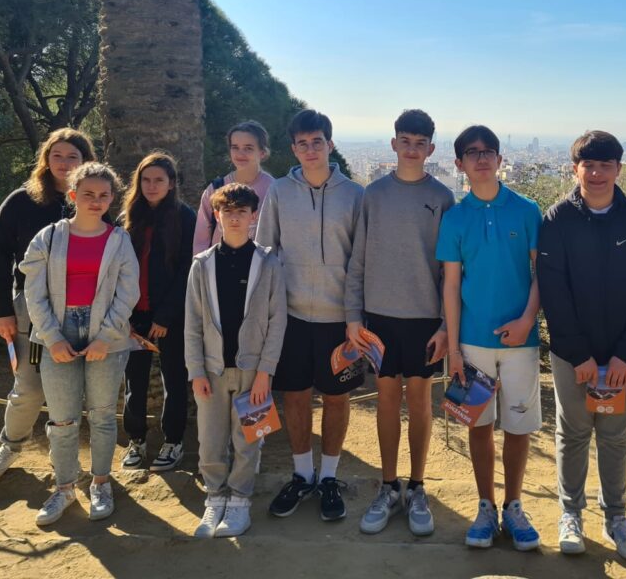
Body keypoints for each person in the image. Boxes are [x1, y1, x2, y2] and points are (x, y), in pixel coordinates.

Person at [537, 130, 626, 562]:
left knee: (615, 437)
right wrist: (577, 353)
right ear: (575, 169)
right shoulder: (557, 219)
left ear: (619, 169)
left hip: (623, 354)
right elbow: (553, 289)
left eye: (606, 164)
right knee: (572, 434)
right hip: (572, 354)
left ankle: (616, 516)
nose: (597, 173)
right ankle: (570, 513)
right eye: (588, 164)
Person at [346, 109, 455, 537]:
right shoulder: (372, 194)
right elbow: (357, 259)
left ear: (431, 148)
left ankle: (418, 487)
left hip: (425, 319)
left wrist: (445, 325)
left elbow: (450, 271)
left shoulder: (443, 197)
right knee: (387, 401)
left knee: (421, 403)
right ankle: (389, 486)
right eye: (405, 141)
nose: (412, 149)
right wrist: (353, 316)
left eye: (420, 143)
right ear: (394, 144)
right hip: (379, 318)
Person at [436, 125, 543, 551]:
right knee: (478, 425)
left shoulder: (527, 210)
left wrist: (527, 321)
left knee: (518, 427)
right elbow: (450, 285)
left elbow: (540, 274)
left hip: (521, 342)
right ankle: (486, 506)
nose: (481, 158)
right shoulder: (454, 217)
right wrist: (454, 348)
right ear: (459, 163)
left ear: (500, 159)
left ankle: (514, 506)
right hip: (472, 342)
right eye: (472, 152)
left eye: (488, 151)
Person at [20, 162, 139, 526]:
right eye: (88, 194)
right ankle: (64, 487)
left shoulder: (119, 240)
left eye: (103, 195)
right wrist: (52, 338)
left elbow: (128, 292)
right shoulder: (48, 237)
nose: (96, 201)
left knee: (102, 415)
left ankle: (101, 483)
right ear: (73, 195)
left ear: (112, 198)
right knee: (62, 420)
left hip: (107, 336)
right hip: (56, 332)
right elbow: (33, 292)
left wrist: (105, 337)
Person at [260, 109, 364, 522]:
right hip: (292, 316)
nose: (310, 149)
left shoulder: (354, 195)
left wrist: (357, 316)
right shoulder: (279, 192)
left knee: (337, 398)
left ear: (330, 144)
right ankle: (302, 474)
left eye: (317, 141)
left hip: (341, 318)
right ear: (293, 149)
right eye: (302, 143)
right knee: (296, 395)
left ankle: (329, 477)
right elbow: (266, 252)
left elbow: (361, 260)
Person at [0, 128, 96, 481]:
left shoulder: (94, 201)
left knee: (69, 393)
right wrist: (3, 311)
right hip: (29, 307)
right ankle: (11, 444)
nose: (64, 163)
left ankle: (63, 459)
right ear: (46, 158)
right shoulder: (20, 201)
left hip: (80, 309)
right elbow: (0, 258)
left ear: (85, 161)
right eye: (57, 155)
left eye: (72, 156)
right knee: (29, 388)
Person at [184, 182, 287, 538]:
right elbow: (192, 323)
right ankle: (215, 497)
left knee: (249, 439)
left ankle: (240, 501)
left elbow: (277, 321)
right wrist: (196, 371)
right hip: (211, 370)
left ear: (253, 216)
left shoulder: (269, 263)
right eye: (227, 211)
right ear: (217, 215)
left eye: (242, 211)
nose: (234, 218)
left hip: (253, 371)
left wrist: (265, 372)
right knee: (210, 439)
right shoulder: (201, 265)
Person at [118, 152, 196, 472]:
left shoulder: (185, 217)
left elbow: (187, 270)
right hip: (134, 316)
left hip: (171, 318)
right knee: (134, 381)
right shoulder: (128, 217)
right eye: (146, 180)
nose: (151, 186)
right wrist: (124, 314)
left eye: (159, 180)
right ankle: (136, 441)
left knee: (174, 380)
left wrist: (165, 316)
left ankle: (173, 441)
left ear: (171, 183)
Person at [193, 120, 275, 254]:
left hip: (261, 265)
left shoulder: (274, 190)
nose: (240, 154)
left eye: (248, 148)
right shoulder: (215, 188)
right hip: (220, 264)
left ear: (262, 152)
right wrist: (202, 266)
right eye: (235, 147)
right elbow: (201, 240)